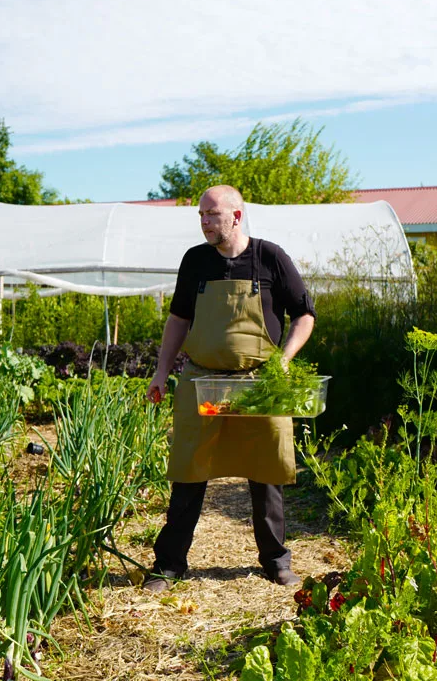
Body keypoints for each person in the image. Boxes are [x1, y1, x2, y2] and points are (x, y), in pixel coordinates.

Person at [143, 185, 316, 592]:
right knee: (189, 468)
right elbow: (178, 321)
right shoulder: (195, 261)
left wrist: (284, 359)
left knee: (266, 469)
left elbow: (304, 315)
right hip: (203, 381)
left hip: (259, 382)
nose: (204, 222)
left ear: (236, 217)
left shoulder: (270, 257)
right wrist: (160, 372)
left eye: (211, 215)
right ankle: (169, 565)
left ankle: (275, 561)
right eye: (201, 215)